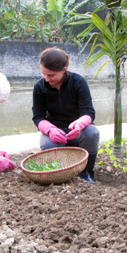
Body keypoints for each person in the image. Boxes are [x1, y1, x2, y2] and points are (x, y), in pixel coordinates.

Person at [32, 47, 100, 184]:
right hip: (56, 132)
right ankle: (60, 174)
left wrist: (79, 124)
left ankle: (85, 173)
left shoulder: (78, 82)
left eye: (51, 75)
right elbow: (38, 116)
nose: (46, 78)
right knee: (47, 143)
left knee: (92, 132)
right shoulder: (39, 87)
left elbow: (89, 112)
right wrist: (50, 129)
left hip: (77, 131)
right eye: (44, 74)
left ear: (63, 70)